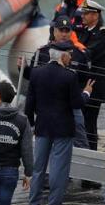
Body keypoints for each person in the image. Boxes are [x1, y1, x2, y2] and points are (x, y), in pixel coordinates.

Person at [25, 42, 93, 205]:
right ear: (63, 56)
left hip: (42, 125)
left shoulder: (36, 73)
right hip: (63, 128)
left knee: (38, 167)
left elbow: (29, 102)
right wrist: (86, 93)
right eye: (69, 54)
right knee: (59, 168)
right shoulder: (69, 76)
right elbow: (77, 104)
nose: (71, 57)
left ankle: (34, 204)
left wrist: (32, 122)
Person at [18, 15, 90, 148]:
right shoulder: (42, 52)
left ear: (71, 32)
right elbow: (33, 77)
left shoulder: (80, 55)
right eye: (60, 30)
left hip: (70, 103)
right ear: (54, 31)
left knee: (80, 133)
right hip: (46, 103)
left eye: (67, 30)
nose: (63, 34)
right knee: (37, 133)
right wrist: (24, 68)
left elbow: (84, 79)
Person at [75, 0, 105, 153]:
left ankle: (90, 157)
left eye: (86, 13)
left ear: (95, 15)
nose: (82, 16)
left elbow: (87, 53)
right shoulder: (82, 32)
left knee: (89, 124)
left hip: (93, 86)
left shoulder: (103, 36)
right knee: (76, 123)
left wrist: (72, 50)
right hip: (79, 84)